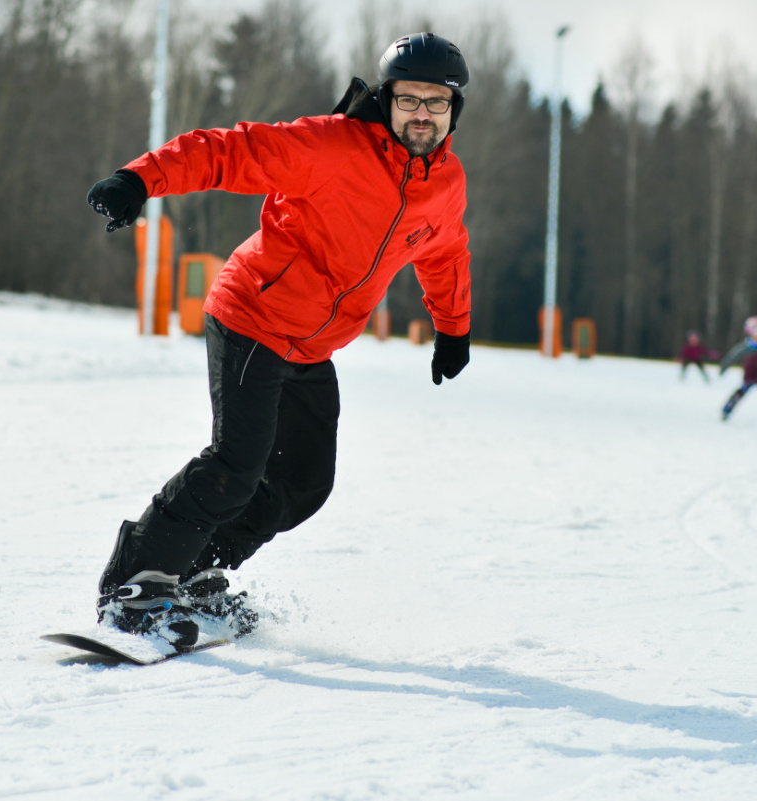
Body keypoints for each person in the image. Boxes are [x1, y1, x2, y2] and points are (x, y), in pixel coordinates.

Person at [84, 33, 473, 646]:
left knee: (304, 484)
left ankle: (193, 572)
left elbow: (445, 253)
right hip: (252, 315)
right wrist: (139, 180)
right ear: (387, 100)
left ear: (453, 110)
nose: (422, 114)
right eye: (409, 100)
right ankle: (135, 584)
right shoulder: (330, 146)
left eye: (436, 103)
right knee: (237, 465)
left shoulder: (446, 184)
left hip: (312, 346)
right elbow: (229, 152)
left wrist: (453, 330)